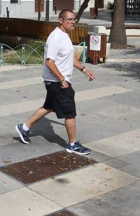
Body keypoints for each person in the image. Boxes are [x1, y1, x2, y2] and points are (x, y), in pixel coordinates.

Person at [15, 9, 95, 155]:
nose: (72, 22)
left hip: (57, 81)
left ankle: (24, 127)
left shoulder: (65, 36)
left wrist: (83, 69)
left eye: (73, 19)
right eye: (69, 19)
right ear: (60, 20)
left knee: (49, 106)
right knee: (70, 112)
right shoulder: (55, 37)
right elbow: (50, 62)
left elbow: (69, 57)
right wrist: (62, 80)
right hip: (57, 81)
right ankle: (72, 144)